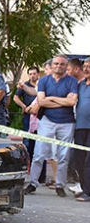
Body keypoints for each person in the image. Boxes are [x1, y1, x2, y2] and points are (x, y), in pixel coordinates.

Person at [24, 54, 78, 197]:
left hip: (67, 122)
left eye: (62, 64)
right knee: (39, 153)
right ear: (52, 65)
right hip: (47, 121)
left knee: (63, 156)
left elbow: (71, 102)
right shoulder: (44, 81)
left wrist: (51, 98)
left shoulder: (72, 81)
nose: (58, 66)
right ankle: (33, 183)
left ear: (66, 66)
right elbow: (41, 101)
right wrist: (62, 100)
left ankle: (60, 185)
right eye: (56, 63)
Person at [73, 58, 90, 201]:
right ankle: (85, 188)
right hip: (80, 127)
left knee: (88, 162)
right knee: (79, 160)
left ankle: (88, 192)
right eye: (85, 66)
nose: (86, 69)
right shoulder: (81, 85)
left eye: (89, 66)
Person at [14, 67, 39, 150]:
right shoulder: (25, 85)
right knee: (27, 138)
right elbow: (15, 97)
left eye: (34, 74)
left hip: (40, 116)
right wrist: (23, 106)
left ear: (38, 74)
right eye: (30, 74)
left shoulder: (41, 85)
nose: (32, 76)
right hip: (28, 115)